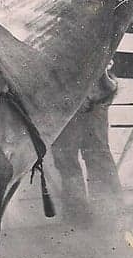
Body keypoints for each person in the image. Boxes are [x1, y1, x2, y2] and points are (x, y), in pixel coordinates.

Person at [50, 63, 123, 225]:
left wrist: (91, 91)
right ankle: (78, 216)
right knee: (66, 156)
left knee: (97, 152)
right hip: (63, 94)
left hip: (94, 92)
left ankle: (110, 213)